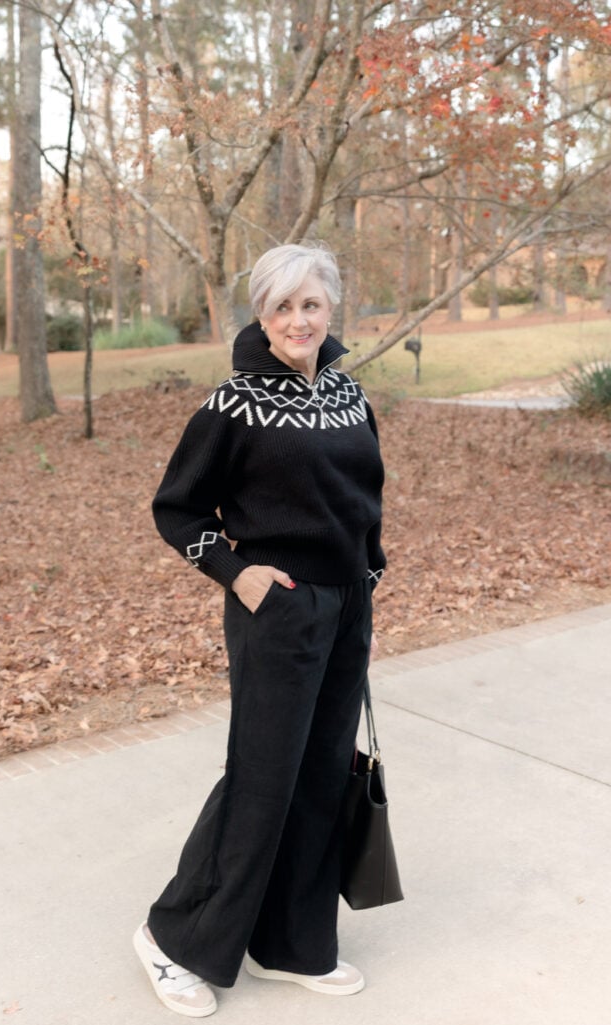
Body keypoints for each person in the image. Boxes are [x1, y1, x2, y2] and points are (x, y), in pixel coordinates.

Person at [133, 242, 386, 1017]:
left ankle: (292, 941)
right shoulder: (233, 404)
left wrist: (367, 572)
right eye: (281, 306)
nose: (297, 319)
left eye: (310, 303)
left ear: (330, 307)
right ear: (260, 314)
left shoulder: (347, 392)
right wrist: (235, 572)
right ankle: (172, 939)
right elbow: (176, 508)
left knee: (318, 776)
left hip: (344, 607)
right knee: (262, 778)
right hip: (274, 609)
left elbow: (360, 495)